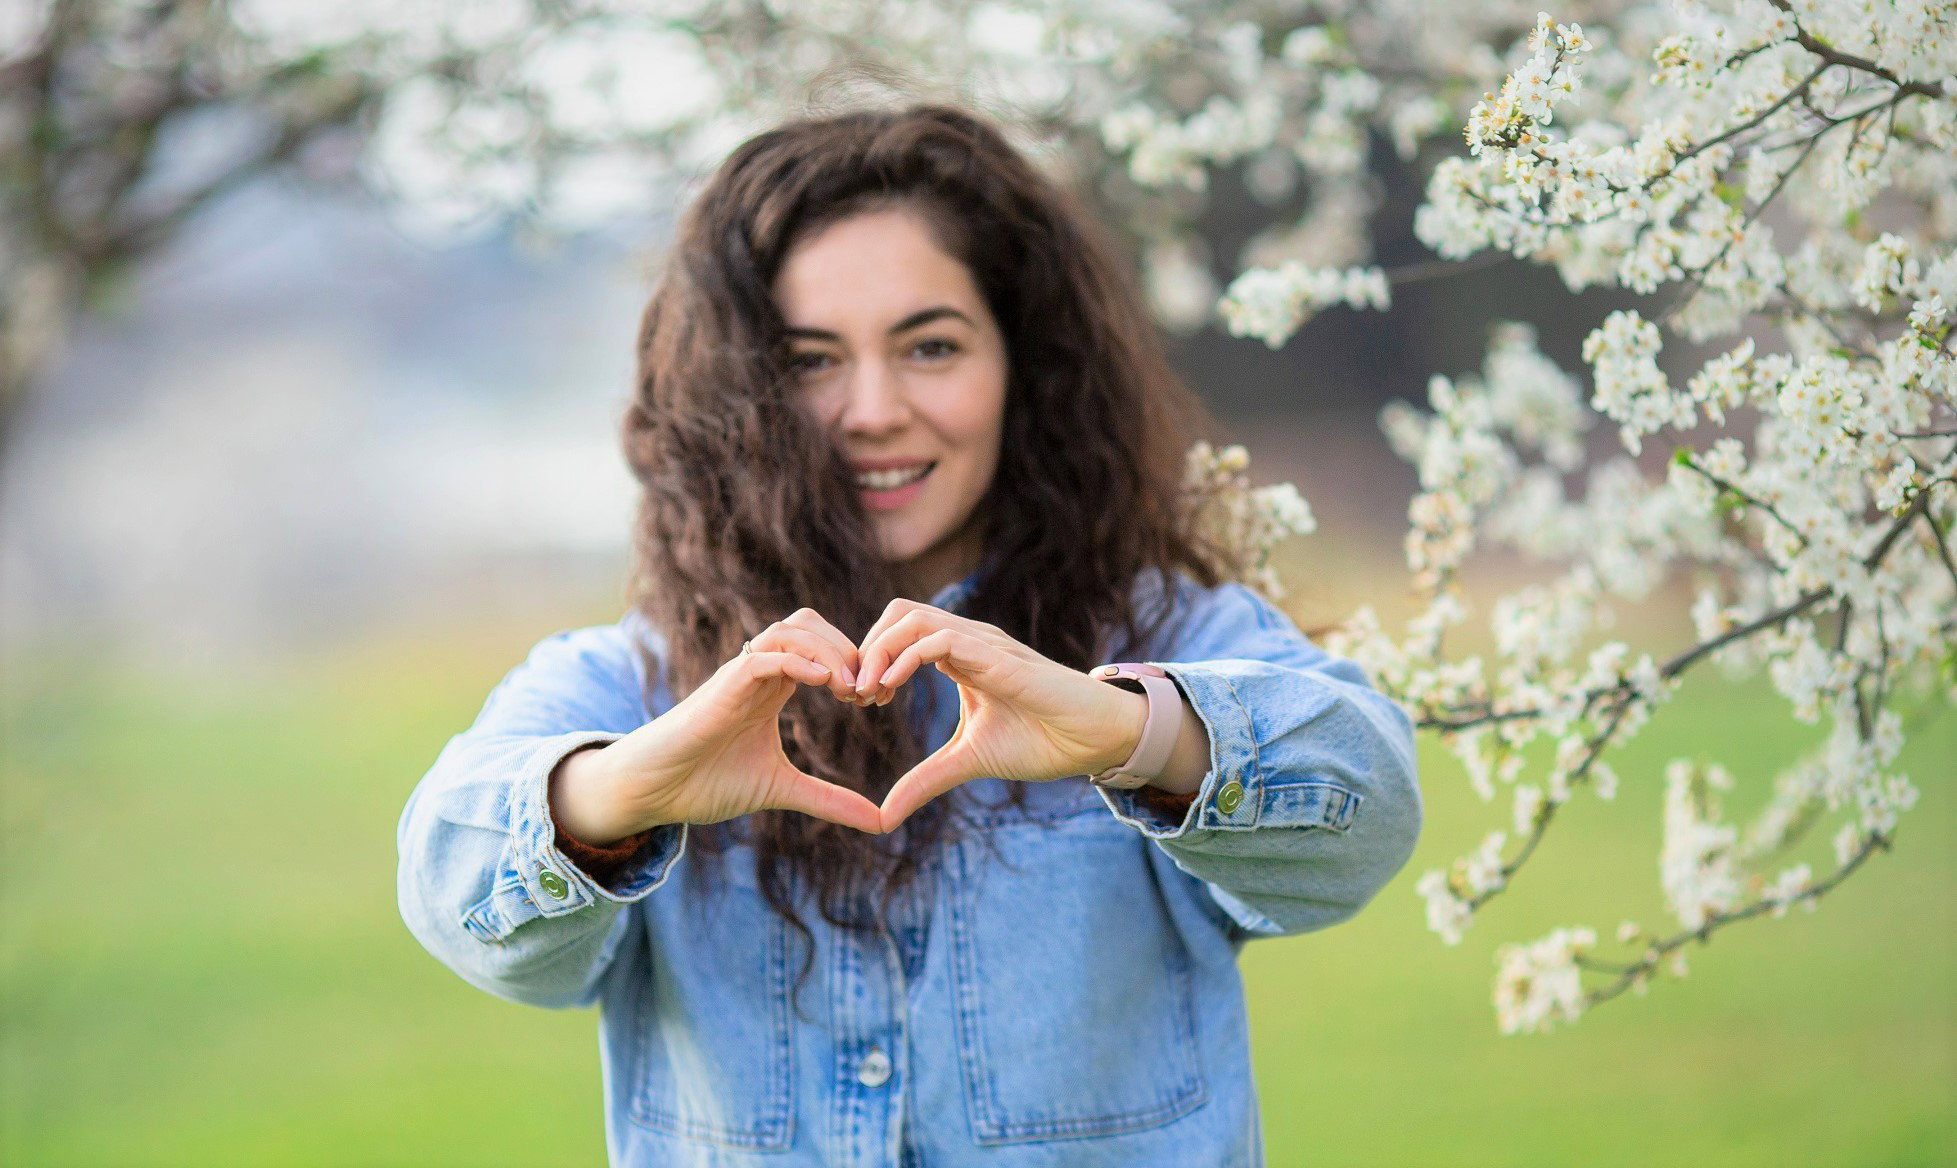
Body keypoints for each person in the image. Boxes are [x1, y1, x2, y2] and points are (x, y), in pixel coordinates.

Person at [396, 101, 1422, 1168]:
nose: (873, 409)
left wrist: (1132, 735)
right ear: (732, 392)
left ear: (1025, 368)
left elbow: (1367, 812)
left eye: (930, 345)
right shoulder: (634, 680)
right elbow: (458, 898)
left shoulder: (1172, 632)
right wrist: (626, 792)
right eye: (809, 360)